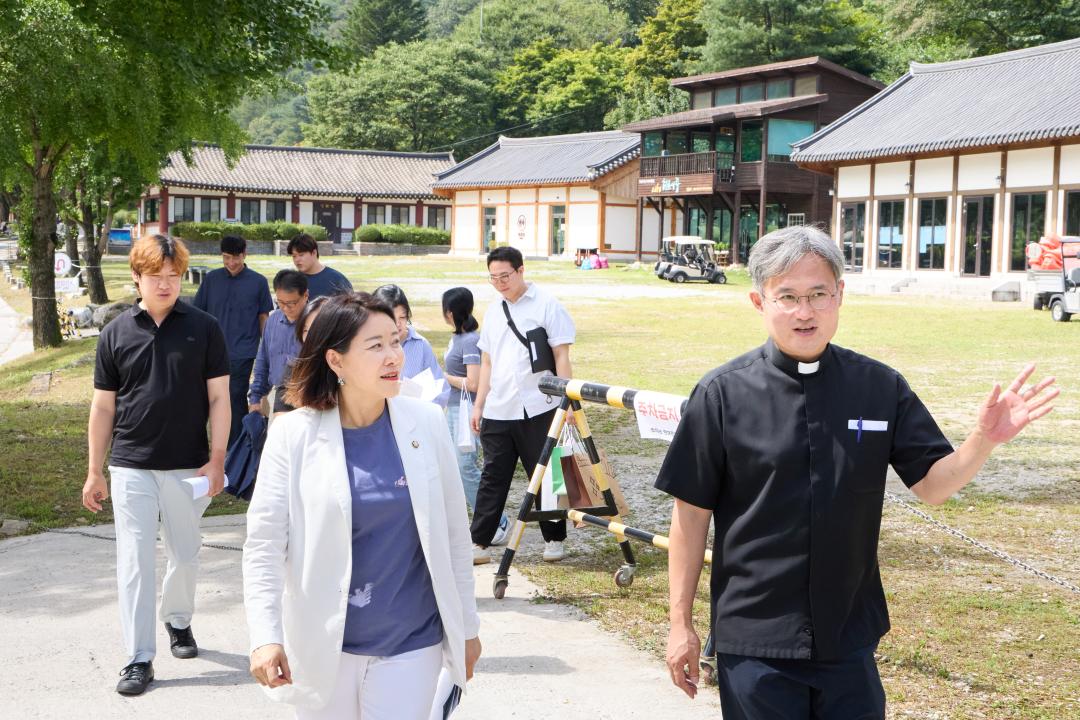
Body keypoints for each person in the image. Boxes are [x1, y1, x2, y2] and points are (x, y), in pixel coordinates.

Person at [655, 225, 1058, 720]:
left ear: (840, 295)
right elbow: (690, 516)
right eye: (788, 297)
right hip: (755, 639)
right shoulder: (721, 394)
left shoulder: (879, 387)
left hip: (848, 635)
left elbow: (933, 486)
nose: (805, 311)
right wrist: (680, 623)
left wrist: (984, 440)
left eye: (818, 294)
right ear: (759, 302)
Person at [243, 292, 481, 719]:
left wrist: (467, 628)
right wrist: (265, 635)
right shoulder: (292, 435)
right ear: (336, 361)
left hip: (412, 642)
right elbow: (264, 545)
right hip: (323, 645)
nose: (394, 356)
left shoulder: (425, 424)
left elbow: (453, 537)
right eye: (375, 346)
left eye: (395, 341)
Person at [82, 233, 231, 696]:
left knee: (184, 554)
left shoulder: (204, 327)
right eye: (155, 276)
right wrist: (94, 470)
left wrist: (217, 460)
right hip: (131, 464)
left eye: (173, 275)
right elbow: (103, 406)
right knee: (135, 561)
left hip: (188, 466)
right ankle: (138, 658)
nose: (166, 284)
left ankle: (178, 620)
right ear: (137, 277)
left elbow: (220, 398)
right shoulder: (115, 333)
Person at [469, 246, 575, 564]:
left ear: (520, 270)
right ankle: (480, 542)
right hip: (499, 407)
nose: (500, 283)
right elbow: (487, 363)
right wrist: (479, 405)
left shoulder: (547, 305)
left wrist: (567, 402)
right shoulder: (493, 311)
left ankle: (554, 538)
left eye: (505, 276)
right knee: (493, 476)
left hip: (540, 404)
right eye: (493, 278)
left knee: (546, 474)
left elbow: (561, 356)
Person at [440, 287, 509, 560]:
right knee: (458, 468)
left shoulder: (470, 341)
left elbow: (473, 383)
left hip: (465, 409)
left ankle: (498, 522)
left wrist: (443, 377)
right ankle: (487, 520)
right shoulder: (458, 338)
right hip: (454, 408)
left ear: (450, 312)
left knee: (466, 467)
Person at [193, 235, 273, 447]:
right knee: (206, 398)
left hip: (243, 352)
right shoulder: (211, 279)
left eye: (235, 257)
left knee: (235, 398)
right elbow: (198, 314)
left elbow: (263, 318)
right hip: (211, 351)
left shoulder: (258, 282)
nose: (231, 263)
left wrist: (267, 349)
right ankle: (204, 443)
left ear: (244, 254)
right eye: (226, 257)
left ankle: (235, 448)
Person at [373, 284, 451, 408]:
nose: (398, 323)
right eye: (391, 317)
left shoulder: (421, 345)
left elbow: (442, 389)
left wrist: (423, 411)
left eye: (402, 317)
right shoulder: (369, 346)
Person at [249, 269, 309, 417]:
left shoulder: (317, 322)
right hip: (278, 396)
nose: (285, 308)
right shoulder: (273, 321)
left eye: (292, 303)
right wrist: (255, 397)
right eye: (280, 302)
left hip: (307, 399)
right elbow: (263, 361)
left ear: (305, 295)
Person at [288, 233, 353, 299]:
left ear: (314, 253)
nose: (297, 260)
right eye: (294, 256)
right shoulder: (291, 281)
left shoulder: (337, 280)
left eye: (301, 255)